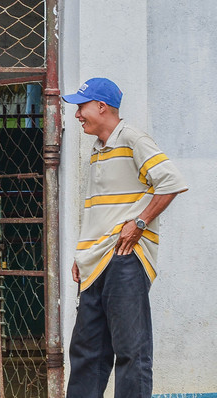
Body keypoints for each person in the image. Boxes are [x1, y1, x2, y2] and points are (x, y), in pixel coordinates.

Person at [62, 78, 188, 398]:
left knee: (131, 350)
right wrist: (82, 255)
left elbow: (170, 182)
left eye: (82, 106)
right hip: (96, 260)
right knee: (87, 350)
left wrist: (140, 223)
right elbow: (96, 211)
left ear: (102, 107)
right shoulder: (97, 149)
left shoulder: (133, 138)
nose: (77, 114)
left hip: (126, 255)